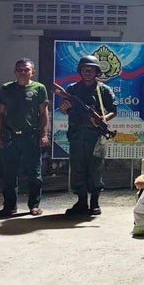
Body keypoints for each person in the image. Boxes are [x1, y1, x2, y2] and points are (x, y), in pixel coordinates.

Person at [59, 55, 117, 216]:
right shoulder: (72, 89)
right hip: (77, 134)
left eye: (91, 70)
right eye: (85, 69)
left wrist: (103, 119)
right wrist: (63, 107)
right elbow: (65, 109)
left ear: (97, 71)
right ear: (80, 71)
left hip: (96, 135)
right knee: (78, 168)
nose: (87, 72)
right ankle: (81, 201)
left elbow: (114, 110)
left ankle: (95, 202)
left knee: (95, 168)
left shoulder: (104, 90)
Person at [0, 58, 49, 216]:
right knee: (9, 173)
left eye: (26, 70)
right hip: (10, 136)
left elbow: (44, 113)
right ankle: (9, 206)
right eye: (19, 69)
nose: (23, 72)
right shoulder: (6, 88)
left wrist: (44, 134)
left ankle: (34, 205)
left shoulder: (39, 88)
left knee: (34, 173)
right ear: (15, 71)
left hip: (31, 136)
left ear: (32, 72)